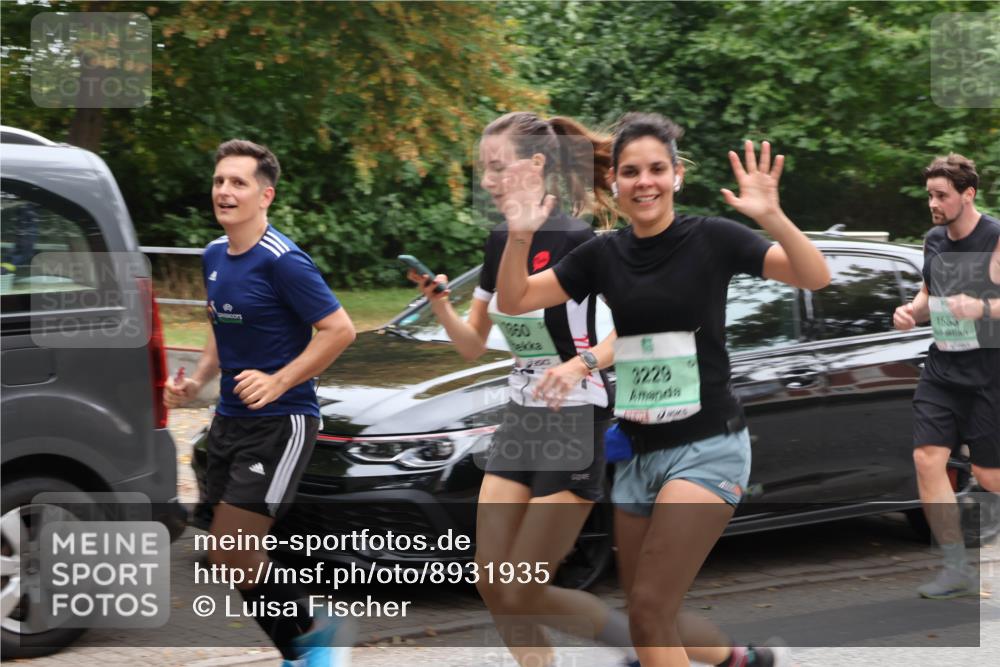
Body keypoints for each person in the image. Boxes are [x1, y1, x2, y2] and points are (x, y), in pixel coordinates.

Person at [495, 112, 829, 667]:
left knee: (649, 609)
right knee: (650, 614)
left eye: (656, 169)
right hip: (638, 454)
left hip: (708, 448)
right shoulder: (604, 254)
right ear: (615, 183)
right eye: (630, 171)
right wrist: (521, 236)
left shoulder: (712, 238)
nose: (643, 181)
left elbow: (815, 276)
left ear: (676, 175)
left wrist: (773, 216)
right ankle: (739, 660)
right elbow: (517, 300)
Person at [409, 110, 640, 667]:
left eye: (496, 167)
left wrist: (581, 363)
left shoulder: (578, 240)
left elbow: (637, 332)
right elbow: (472, 344)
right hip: (522, 417)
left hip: (575, 417)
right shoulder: (500, 243)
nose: (486, 180)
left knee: (522, 587)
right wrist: (439, 301)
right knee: (493, 582)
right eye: (482, 170)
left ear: (536, 165)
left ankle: (633, 643)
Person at [165, 139, 357, 667]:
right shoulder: (213, 256)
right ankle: (308, 641)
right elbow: (219, 320)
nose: (224, 191)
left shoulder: (284, 262)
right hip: (227, 419)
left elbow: (339, 330)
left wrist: (277, 380)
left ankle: (315, 641)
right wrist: (198, 382)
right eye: (219, 181)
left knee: (231, 547)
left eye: (238, 182)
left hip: (281, 421)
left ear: (265, 195)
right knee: (232, 559)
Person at [892, 153, 1000, 599]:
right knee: (927, 460)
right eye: (930, 195)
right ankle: (956, 567)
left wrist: (982, 308)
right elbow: (928, 293)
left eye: (942, 195)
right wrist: (911, 312)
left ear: (967, 194)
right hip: (942, 367)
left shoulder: (995, 237)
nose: (933, 203)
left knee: (989, 475)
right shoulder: (934, 239)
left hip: (989, 371)